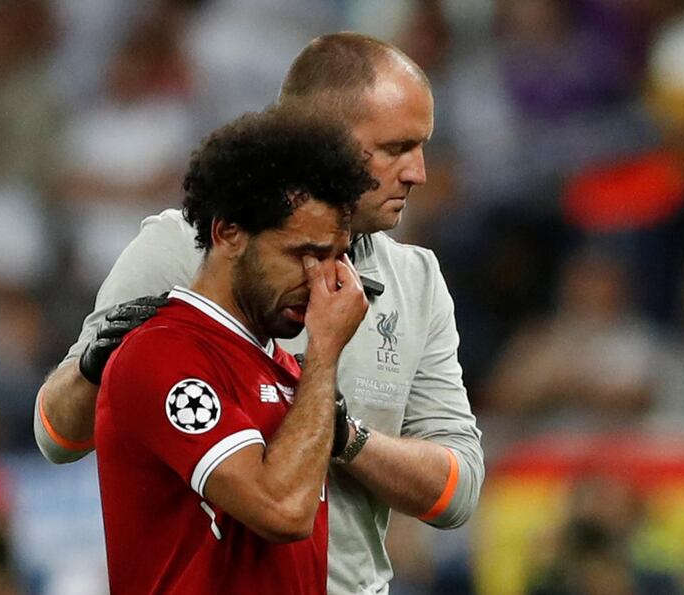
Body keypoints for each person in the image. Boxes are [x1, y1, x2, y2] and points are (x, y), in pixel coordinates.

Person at [36, 32, 485, 594]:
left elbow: (458, 491)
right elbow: (57, 437)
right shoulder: (192, 247)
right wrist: (96, 367)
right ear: (322, 139)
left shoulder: (415, 280)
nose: (418, 171)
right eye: (396, 148)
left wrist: (345, 438)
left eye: (422, 146)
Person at [96, 107, 373, 593]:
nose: (324, 280)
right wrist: (326, 350)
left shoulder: (290, 374)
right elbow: (282, 509)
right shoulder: (161, 354)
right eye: (304, 254)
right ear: (228, 233)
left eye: (336, 257)